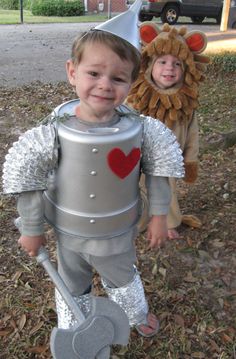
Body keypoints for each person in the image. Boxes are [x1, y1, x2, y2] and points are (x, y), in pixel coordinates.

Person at [2, 8, 184, 340]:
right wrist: (32, 228)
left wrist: (160, 215)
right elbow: (29, 179)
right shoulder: (56, 128)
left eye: (118, 78)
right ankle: (74, 321)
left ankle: (133, 314)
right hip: (68, 232)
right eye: (94, 73)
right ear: (72, 72)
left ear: (131, 82)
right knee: (71, 279)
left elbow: (159, 171)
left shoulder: (140, 130)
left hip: (116, 232)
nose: (104, 86)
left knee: (122, 276)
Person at [126, 22, 210, 239]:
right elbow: (122, 124)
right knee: (138, 190)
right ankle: (140, 221)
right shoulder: (137, 97)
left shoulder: (187, 103)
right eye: (162, 62)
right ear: (149, 64)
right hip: (138, 159)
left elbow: (192, 134)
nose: (169, 68)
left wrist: (190, 160)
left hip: (170, 160)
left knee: (167, 190)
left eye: (177, 64)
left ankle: (168, 222)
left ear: (187, 69)